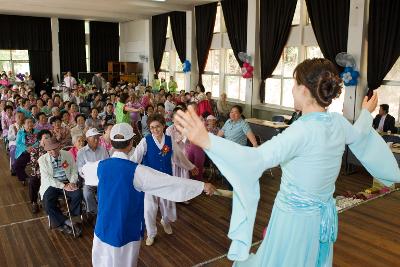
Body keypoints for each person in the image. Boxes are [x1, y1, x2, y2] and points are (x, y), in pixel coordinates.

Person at [174, 58, 400, 266]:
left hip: (294, 221)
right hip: (321, 219)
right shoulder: (337, 123)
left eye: (293, 84)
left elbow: (257, 158)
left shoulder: (302, 130)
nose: (292, 89)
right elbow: (359, 135)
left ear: (303, 90)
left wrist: (207, 140)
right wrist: (364, 113)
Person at [81, 122, 215, 267]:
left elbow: (84, 170)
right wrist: (201, 186)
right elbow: (170, 182)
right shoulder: (137, 171)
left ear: (112, 142)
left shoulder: (99, 166)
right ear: (131, 143)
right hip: (127, 228)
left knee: (102, 262)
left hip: (104, 227)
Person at [131, 114, 198, 246]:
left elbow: (179, 157)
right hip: (150, 180)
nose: (155, 130)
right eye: (152, 127)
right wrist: (127, 172)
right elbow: (135, 158)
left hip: (166, 178)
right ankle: (151, 234)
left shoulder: (169, 140)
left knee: (166, 205)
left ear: (163, 126)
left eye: (158, 127)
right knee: (150, 209)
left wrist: (190, 167)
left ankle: (165, 222)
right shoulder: (146, 140)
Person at [39, 137, 82, 236]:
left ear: (59, 146)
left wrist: (71, 182)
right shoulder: (42, 160)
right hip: (52, 184)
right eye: (49, 150)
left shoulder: (67, 154)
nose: (52, 151)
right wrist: (63, 186)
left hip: (67, 181)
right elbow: (48, 178)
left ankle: (71, 215)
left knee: (78, 194)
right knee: (47, 202)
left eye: (54, 148)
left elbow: (74, 171)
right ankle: (66, 222)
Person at [77, 128, 109, 225]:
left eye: (98, 138)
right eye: (94, 138)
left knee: (104, 193)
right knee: (87, 193)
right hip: (89, 180)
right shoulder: (81, 152)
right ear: (87, 139)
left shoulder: (103, 149)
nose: (97, 140)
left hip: (102, 179)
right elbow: (80, 170)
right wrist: (89, 175)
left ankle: (104, 213)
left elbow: (107, 164)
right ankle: (95, 213)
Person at [29, 129, 52, 214]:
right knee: (32, 180)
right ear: (40, 140)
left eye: (49, 138)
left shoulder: (54, 147)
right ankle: (34, 202)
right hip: (40, 172)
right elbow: (34, 164)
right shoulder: (35, 149)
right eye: (45, 138)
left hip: (53, 171)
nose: (48, 140)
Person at [14, 117, 39, 184]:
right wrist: (26, 148)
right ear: (24, 125)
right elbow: (18, 143)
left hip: (36, 151)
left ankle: (37, 177)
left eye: (31, 122)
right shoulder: (20, 132)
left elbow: (39, 141)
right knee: (16, 165)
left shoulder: (37, 131)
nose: (30, 124)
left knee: (38, 163)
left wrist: (31, 147)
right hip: (24, 151)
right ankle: (23, 177)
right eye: (28, 122)